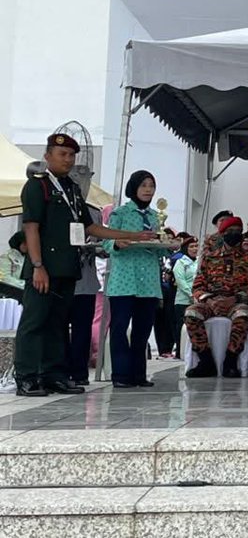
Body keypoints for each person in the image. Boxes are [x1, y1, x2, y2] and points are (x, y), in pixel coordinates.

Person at [15, 133, 156, 397]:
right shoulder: (38, 186)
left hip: (67, 268)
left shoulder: (70, 188)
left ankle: (54, 374)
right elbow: (31, 227)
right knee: (35, 322)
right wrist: (37, 265)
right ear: (47, 157)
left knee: (58, 323)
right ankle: (27, 376)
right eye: (62, 155)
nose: (68, 160)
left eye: (71, 155)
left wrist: (133, 235)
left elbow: (90, 227)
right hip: (44, 268)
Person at [105, 170, 176, 388]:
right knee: (119, 328)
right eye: (144, 185)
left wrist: (170, 247)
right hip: (124, 281)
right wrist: (117, 243)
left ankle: (138, 374)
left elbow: (158, 250)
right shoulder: (120, 214)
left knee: (143, 330)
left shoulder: (156, 217)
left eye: (151, 186)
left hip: (149, 283)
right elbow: (106, 243)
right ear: (134, 187)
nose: (148, 190)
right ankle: (120, 375)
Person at [184, 215, 248, 379]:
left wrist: (234, 299)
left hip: (236, 302)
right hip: (211, 302)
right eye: (230, 231)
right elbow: (198, 286)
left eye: (238, 231)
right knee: (191, 313)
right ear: (222, 233)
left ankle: (231, 361)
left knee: (242, 315)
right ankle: (205, 361)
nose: (234, 234)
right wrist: (210, 301)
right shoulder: (209, 257)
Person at [67, 240, 101, 385]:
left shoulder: (94, 216)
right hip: (65, 281)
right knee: (60, 329)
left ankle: (79, 373)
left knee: (83, 330)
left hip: (87, 284)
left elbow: (102, 245)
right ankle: (60, 371)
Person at [172, 235, 198, 354]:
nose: (194, 249)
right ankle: (180, 351)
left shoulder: (199, 262)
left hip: (198, 300)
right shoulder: (180, 262)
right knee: (181, 327)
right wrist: (191, 294)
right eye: (191, 246)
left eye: (196, 246)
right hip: (183, 300)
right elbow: (180, 281)